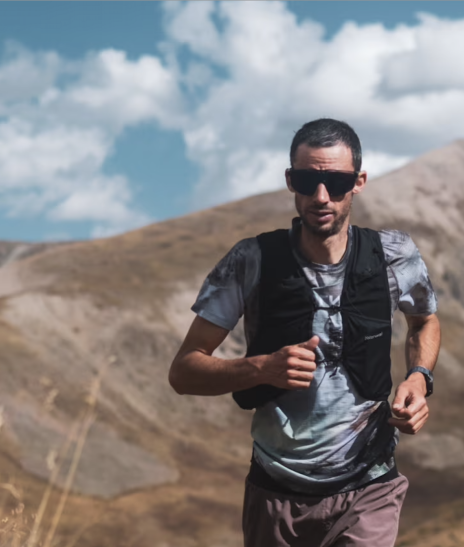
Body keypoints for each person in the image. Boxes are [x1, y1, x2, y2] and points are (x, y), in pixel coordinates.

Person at [168, 118, 441, 547]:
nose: (321, 196)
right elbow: (184, 372)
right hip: (275, 492)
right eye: (307, 181)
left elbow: (424, 320)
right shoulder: (251, 261)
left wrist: (419, 378)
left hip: (370, 485)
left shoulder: (393, 255)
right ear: (290, 181)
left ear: (359, 182)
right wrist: (261, 368)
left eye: (337, 182)